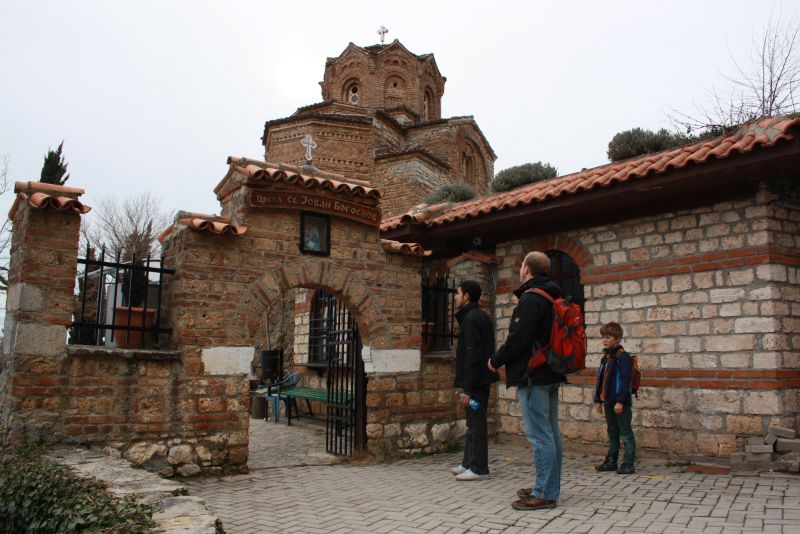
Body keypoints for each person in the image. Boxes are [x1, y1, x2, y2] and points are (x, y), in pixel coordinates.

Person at [488, 251, 565, 511]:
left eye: (521, 265)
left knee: (540, 436)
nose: (520, 269)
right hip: (551, 372)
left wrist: (495, 360)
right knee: (551, 433)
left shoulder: (532, 298)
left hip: (534, 376)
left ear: (527, 269)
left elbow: (519, 339)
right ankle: (548, 486)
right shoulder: (555, 295)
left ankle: (544, 492)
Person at [450, 280, 499, 481]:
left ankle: (478, 468)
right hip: (477, 380)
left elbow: (472, 355)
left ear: (467, 296)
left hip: (476, 382)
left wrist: (467, 388)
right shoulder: (476, 316)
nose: (455, 297)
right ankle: (468, 462)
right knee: (472, 421)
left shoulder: (471, 319)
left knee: (477, 422)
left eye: (458, 293)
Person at [593, 321, 636, 474]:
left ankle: (628, 463)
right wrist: (598, 399)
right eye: (603, 337)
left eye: (609, 337)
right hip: (608, 400)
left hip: (619, 402)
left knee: (625, 431)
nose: (605, 340)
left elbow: (625, 380)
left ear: (617, 339)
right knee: (612, 431)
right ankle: (611, 460)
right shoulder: (606, 356)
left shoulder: (622, 357)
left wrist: (620, 401)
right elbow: (600, 379)